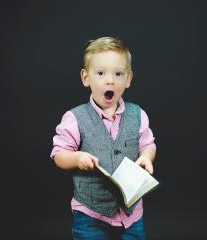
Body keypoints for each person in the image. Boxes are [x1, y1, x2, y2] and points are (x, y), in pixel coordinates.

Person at [50, 36, 156, 240]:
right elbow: (58, 154)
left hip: (131, 213)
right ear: (85, 78)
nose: (110, 80)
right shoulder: (75, 118)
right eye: (100, 73)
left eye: (118, 74)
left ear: (128, 79)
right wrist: (76, 158)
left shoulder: (138, 114)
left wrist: (147, 156)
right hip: (90, 213)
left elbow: (148, 144)